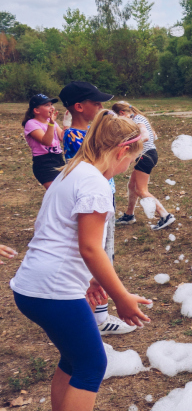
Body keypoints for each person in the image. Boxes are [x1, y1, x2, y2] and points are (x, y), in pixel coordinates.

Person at [10, 111, 152, 411]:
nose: (128, 168)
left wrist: (89, 280)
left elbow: (56, 232)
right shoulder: (95, 185)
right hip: (53, 290)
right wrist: (121, 297)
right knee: (91, 364)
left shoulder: (72, 171)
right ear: (121, 150)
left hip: (32, 285)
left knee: (74, 357)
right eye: (131, 161)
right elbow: (91, 249)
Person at [60, 82, 133, 336]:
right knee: (100, 252)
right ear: (79, 107)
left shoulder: (90, 132)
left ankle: (98, 314)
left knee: (105, 250)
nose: (102, 107)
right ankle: (99, 318)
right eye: (97, 103)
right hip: (95, 198)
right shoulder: (74, 135)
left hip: (104, 195)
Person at [112, 102, 174, 231]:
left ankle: (165, 215)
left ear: (122, 113)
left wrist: (127, 144)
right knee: (132, 186)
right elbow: (154, 136)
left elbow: (145, 137)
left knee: (141, 190)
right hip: (146, 155)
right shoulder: (138, 118)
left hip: (146, 156)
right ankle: (129, 216)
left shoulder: (137, 119)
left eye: (118, 118)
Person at [23, 94, 65, 189]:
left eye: (51, 104)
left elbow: (63, 138)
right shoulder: (31, 124)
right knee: (55, 191)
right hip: (44, 163)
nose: (51, 108)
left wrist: (66, 124)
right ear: (36, 110)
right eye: (47, 105)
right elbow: (47, 141)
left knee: (63, 190)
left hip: (58, 159)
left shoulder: (51, 122)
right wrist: (51, 123)